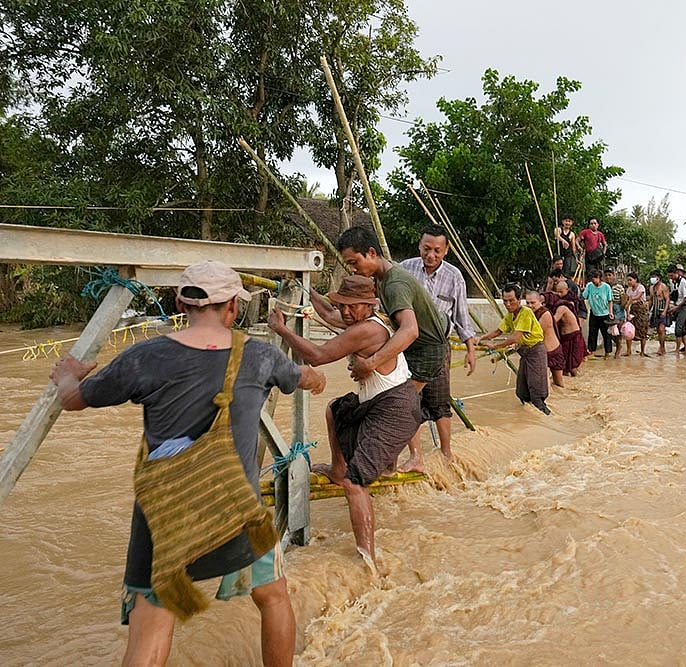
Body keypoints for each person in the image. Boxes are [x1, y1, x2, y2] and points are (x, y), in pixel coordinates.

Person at [51, 260, 326, 667]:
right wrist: (314, 378)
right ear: (233, 308)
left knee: (153, 623)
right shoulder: (260, 356)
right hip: (237, 511)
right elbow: (302, 377)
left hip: (166, 517)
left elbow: (73, 399)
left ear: (181, 303)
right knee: (272, 597)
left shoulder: (145, 357)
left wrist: (67, 374)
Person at [269, 275, 420, 566]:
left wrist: (281, 329)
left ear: (369, 305)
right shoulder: (360, 321)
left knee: (355, 484)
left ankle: (367, 560)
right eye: (344, 306)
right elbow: (328, 313)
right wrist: (305, 288)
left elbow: (318, 355)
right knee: (336, 409)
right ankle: (339, 469)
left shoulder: (367, 331)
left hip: (394, 409)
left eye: (352, 307)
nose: (346, 312)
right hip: (383, 403)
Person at [310, 227, 449, 474]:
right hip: (412, 345)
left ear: (371, 253)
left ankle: (414, 458)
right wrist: (307, 292)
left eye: (354, 262)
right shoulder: (379, 279)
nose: (352, 269)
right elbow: (336, 317)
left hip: (426, 349)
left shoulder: (394, 283)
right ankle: (391, 461)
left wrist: (371, 362)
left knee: (401, 404)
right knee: (399, 401)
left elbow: (410, 330)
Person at [400, 224, 477, 465]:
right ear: (419, 246)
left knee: (440, 403)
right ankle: (416, 457)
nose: (430, 255)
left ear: (446, 250)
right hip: (408, 345)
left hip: (439, 348)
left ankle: (447, 454)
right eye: (426, 249)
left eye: (436, 250)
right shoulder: (405, 270)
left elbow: (461, 317)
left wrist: (470, 350)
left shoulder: (454, 276)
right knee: (408, 399)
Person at [476, 284, 550, 414]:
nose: (508, 304)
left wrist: (495, 346)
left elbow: (515, 338)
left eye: (511, 300)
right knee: (522, 392)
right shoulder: (510, 315)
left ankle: (546, 416)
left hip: (535, 351)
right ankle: (528, 420)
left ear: (519, 299)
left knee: (536, 392)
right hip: (525, 353)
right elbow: (498, 331)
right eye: (505, 301)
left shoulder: (525, 312)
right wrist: (480, 339)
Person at [526, 290, 565, 387]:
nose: (530, 305)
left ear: (540, 302)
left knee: (558, 383)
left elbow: (535, 335)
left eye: (533, 303)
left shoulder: (545, 314)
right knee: (546, 383)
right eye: (527, 303)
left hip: (552, 352)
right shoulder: (530, 314)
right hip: (543, 352)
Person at [553, 280, 587, 376]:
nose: (559, 294)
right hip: (565, 338)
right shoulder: (561, 302)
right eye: (557, 292)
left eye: (561, 292)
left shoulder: (564, 305)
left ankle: (578, 387)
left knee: (572, 367)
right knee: (564, 367)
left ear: (567, 290)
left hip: (573, 337)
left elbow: (553, 321)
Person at [582, 269, 614, 357]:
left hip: (605, 314)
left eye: (595, 278)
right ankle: (592, 351)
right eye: (592, 278)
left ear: (600, 278)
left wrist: (610, 312)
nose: (594, 280)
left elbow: (610, 300)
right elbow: (584, 297)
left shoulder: (606, 287)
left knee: (606, 334)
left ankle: (607, 353)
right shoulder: (589, 286)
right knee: (592, 333)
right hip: (594, 313)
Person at [667, 264, 686, 355]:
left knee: (678, 328)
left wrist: (677, 307)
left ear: (676, 273)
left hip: (684, 306)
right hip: (676, 306)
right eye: (669, 276)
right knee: (683, 328)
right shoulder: (672, 282)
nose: (671, 277)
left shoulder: (683, 281)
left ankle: (677, 349)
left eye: (672, 275)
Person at [622, 272, 648, 357]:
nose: (629, 282)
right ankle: (628, 350)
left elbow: (637, 297)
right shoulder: (629, 289)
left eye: (630, 280)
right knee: (628, 330)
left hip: (641, 312)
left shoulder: (641, 287)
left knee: (642, 331)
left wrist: (628, 300)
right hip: (631, 311)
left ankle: (642, 351)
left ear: (635, 280)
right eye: (628, 280)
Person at [647, 270, 670, 355]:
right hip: (655, 311)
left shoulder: (663, 287)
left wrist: (665, 311)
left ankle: (662, 347)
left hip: (662, 310)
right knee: (658, 330)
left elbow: (667, 299)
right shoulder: (651, 288)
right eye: (651, 276)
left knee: (661, 329)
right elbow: (651, 300)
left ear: (658, 278)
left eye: (654, 276)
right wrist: (648, 310)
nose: (652, 278)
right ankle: (661, 346)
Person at [604, 268, 626, 358]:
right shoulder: (603, 287)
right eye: (606, 275)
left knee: (618, 332)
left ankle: (618, 348)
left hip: (618, 309)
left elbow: (623, 300)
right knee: (609, 332)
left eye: (610, 275)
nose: (608, 277)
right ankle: (614, 348)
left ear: (614, 275)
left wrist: (626, 313)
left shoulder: (619, 287)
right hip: (606, 309)